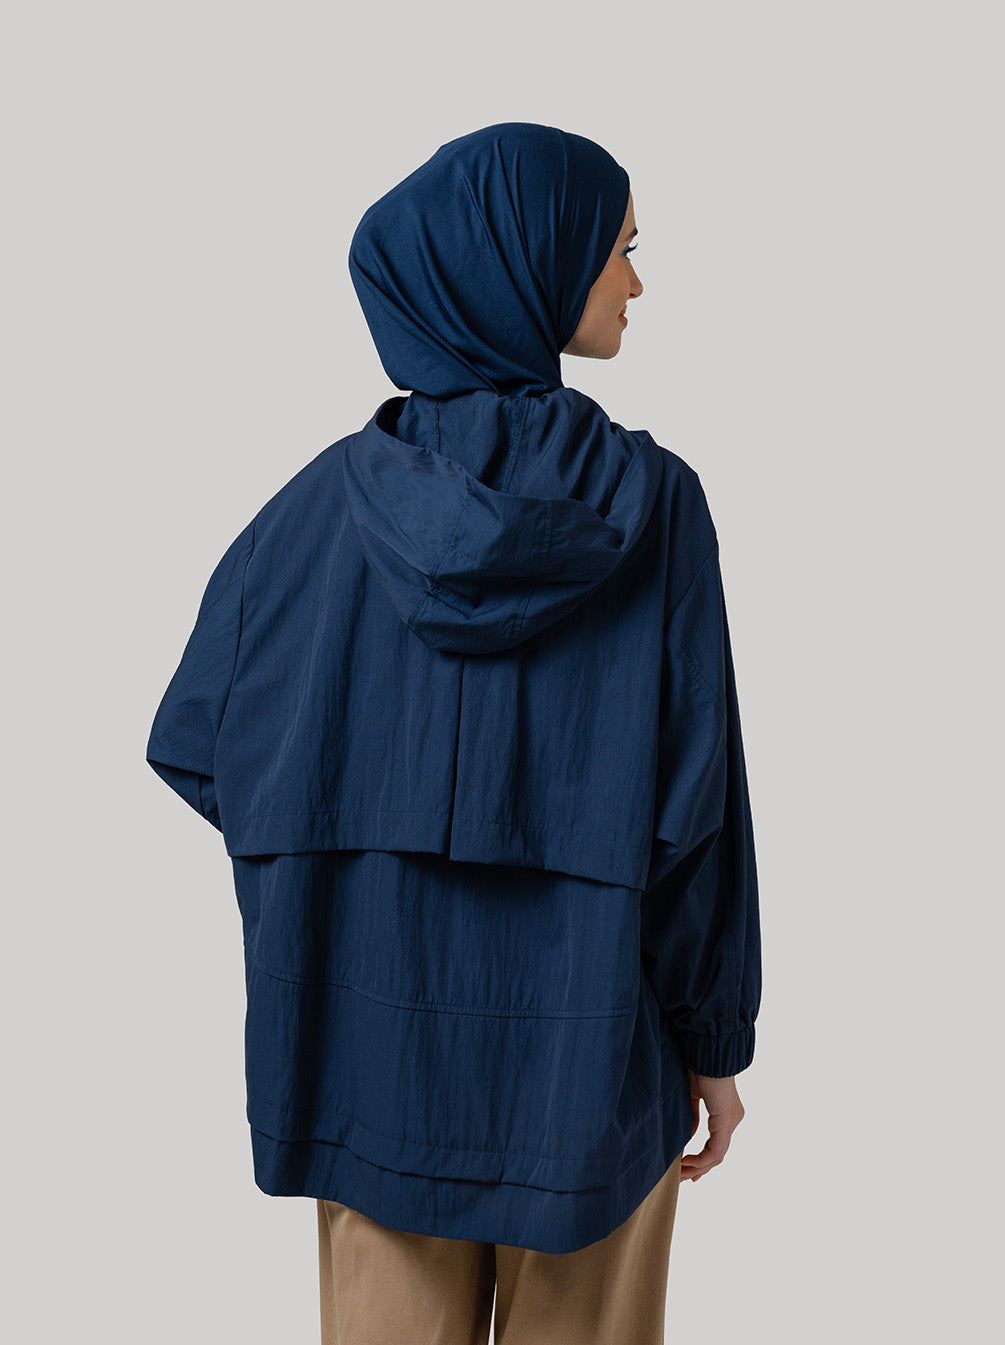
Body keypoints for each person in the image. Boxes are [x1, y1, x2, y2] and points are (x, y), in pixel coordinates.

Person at [146, 122, 761, 1344]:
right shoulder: (657, 507)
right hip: (592, 1058)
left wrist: (352, 850)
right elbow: (698, 809)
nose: (637, 284)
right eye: (620, 251)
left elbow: (198, 745)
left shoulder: (307, 514)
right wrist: (715, 1041)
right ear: (531, 263)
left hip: (366, 1067)